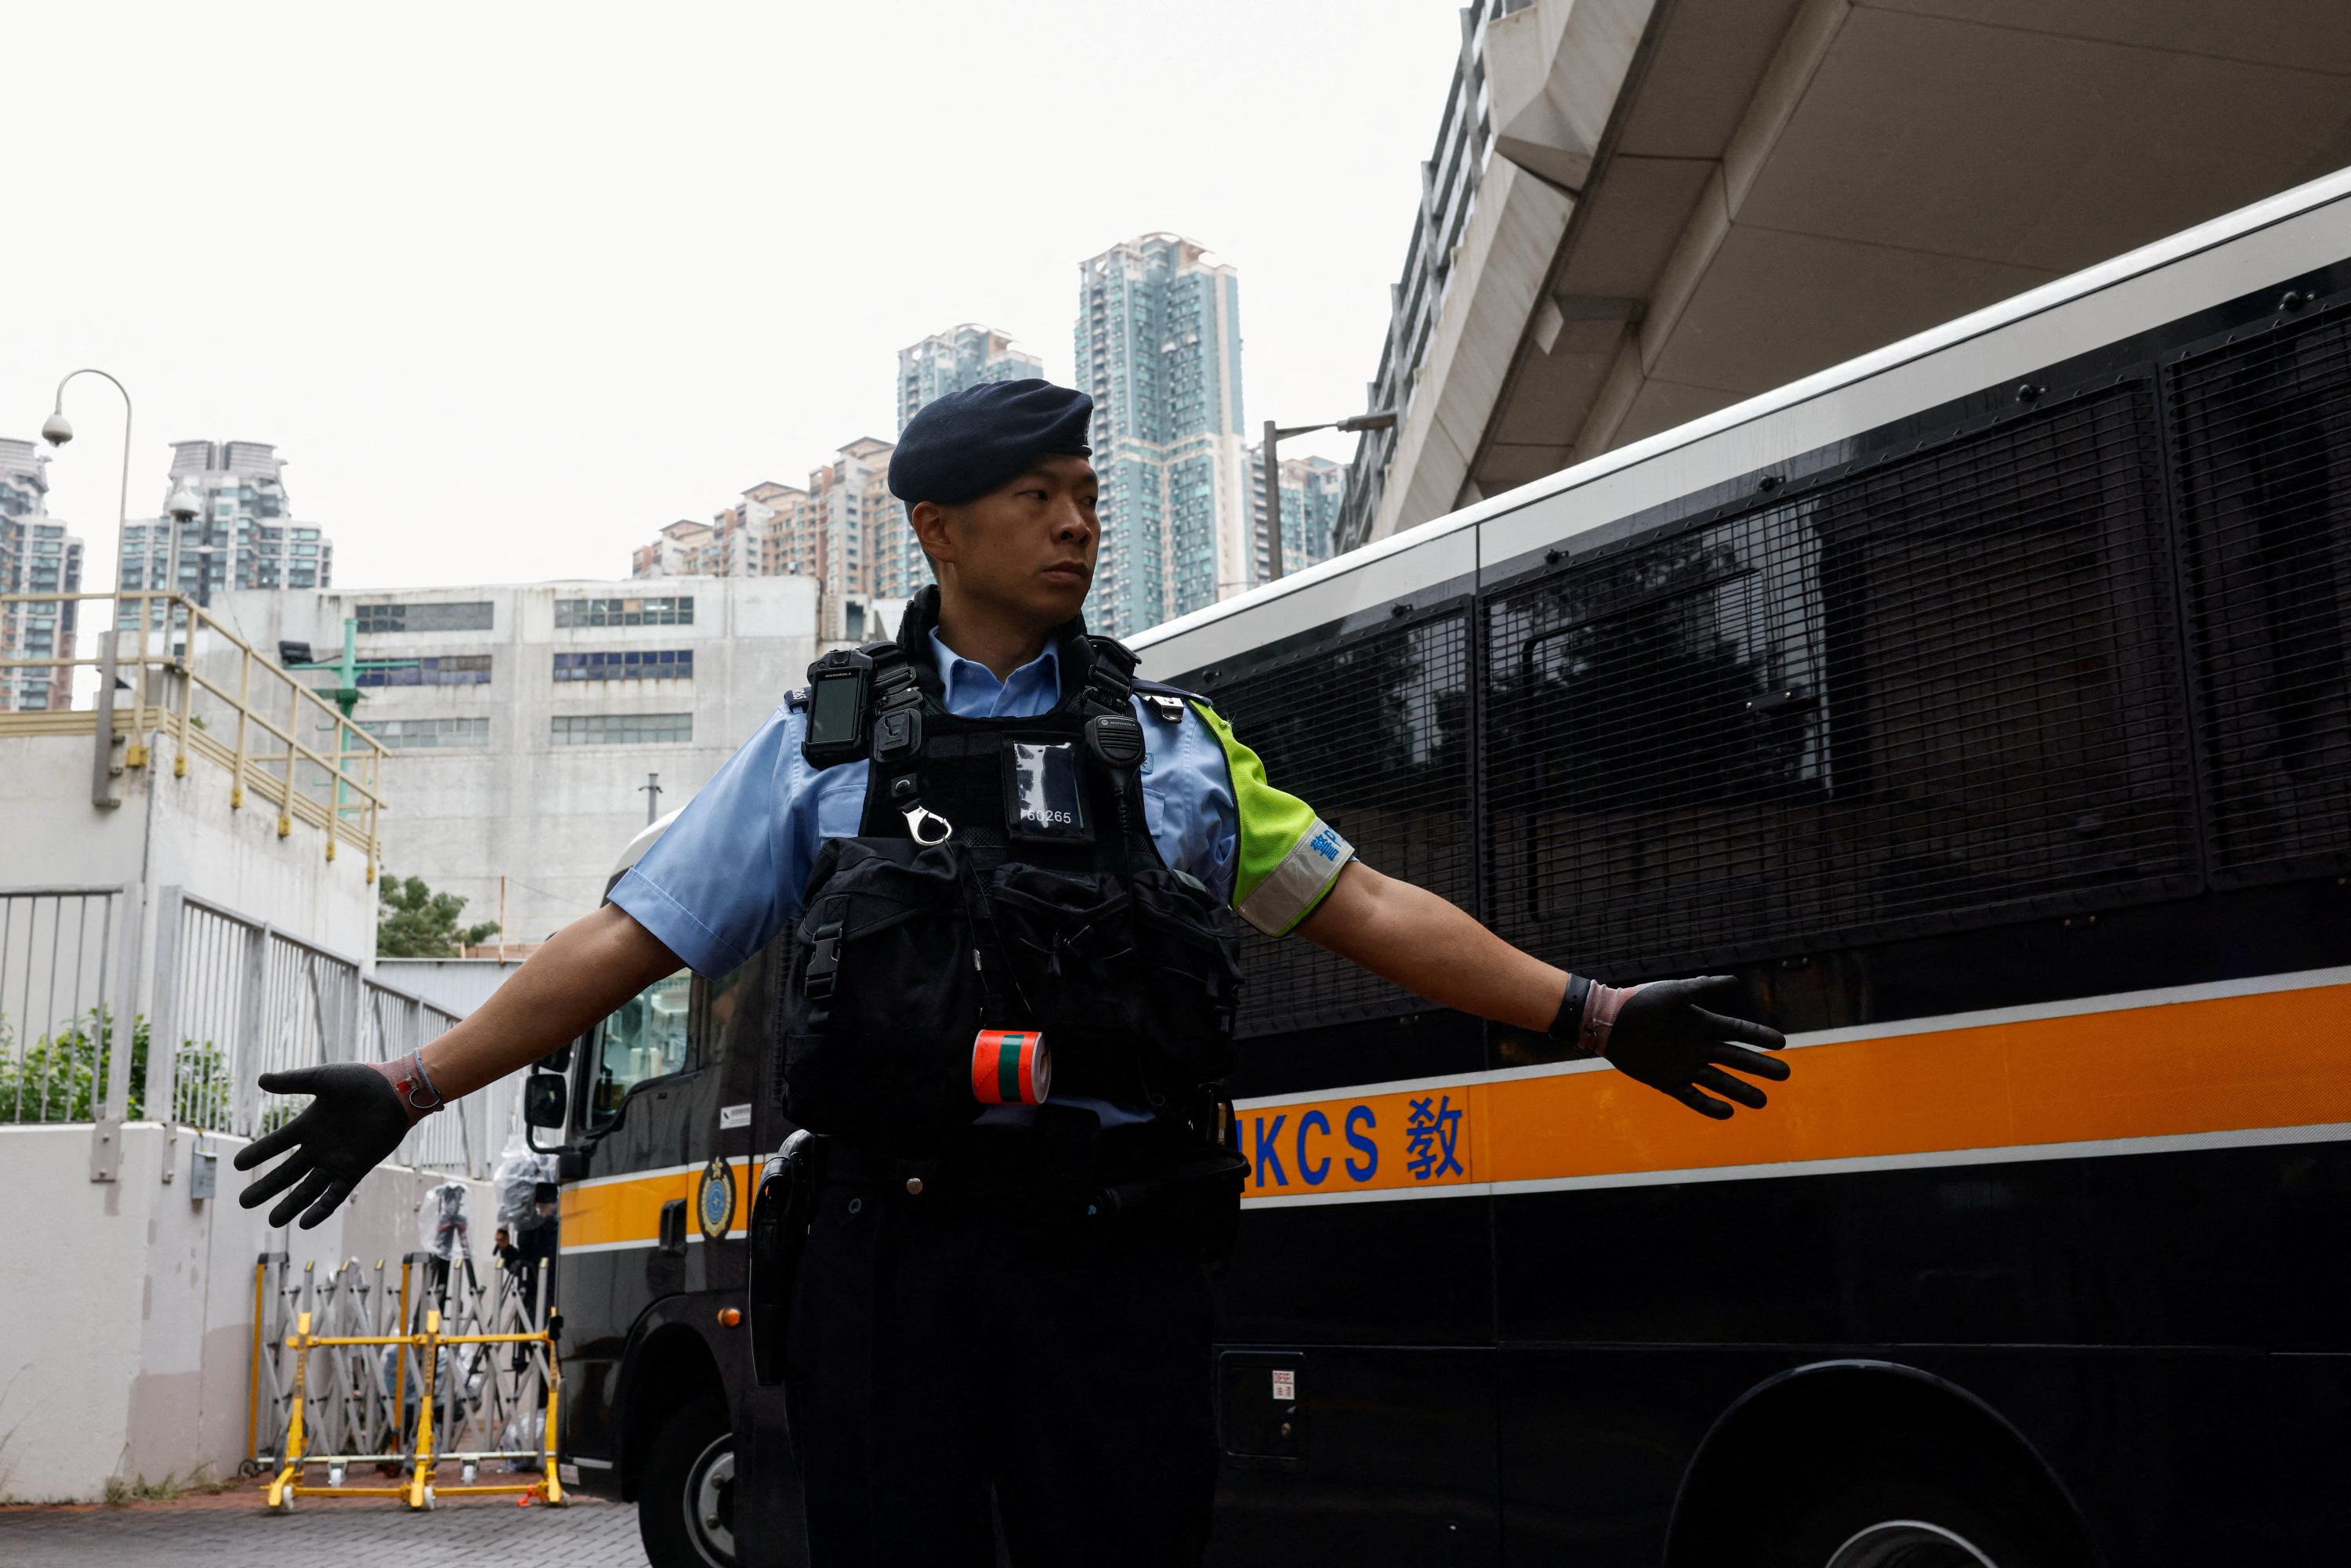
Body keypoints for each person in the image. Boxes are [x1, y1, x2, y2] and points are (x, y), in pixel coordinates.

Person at [237, 379, 1791, 1566]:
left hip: (1116, 1267)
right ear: (939, 527)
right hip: (890, 1266)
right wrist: (412, 1076)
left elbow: (1360, 897)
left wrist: (1591, 1010)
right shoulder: (828, 745)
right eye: (1037, 497)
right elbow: (628, 934)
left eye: (1088, 496)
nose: (1076, 525)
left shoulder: (1167, 746)